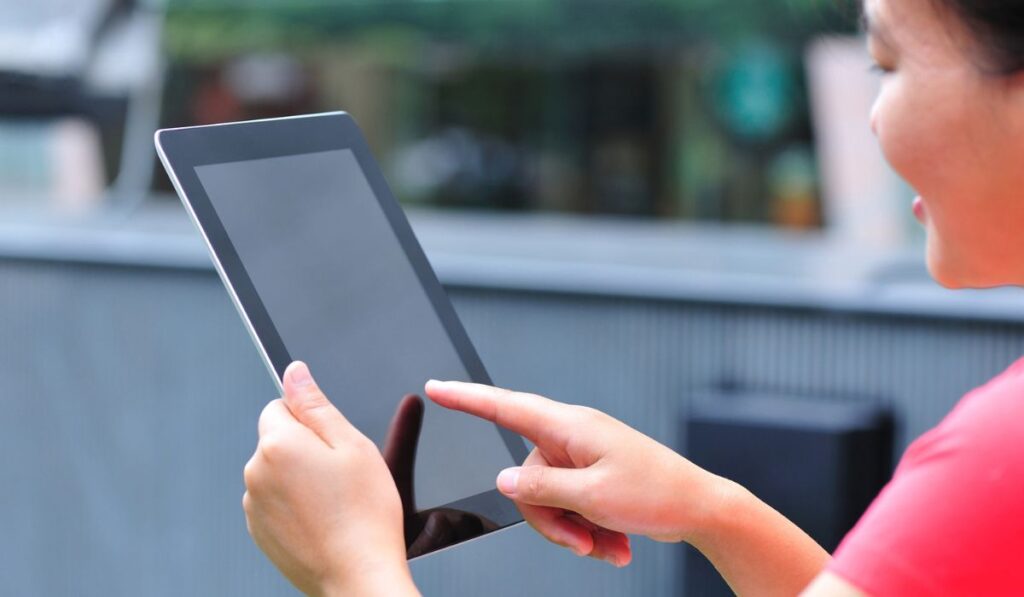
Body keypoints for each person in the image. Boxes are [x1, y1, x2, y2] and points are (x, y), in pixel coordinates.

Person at [240, 0, 1024, 594]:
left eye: (888, 64)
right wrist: (712, 510)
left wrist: (354, 568)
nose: (874, 118)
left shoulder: (1001, 456)